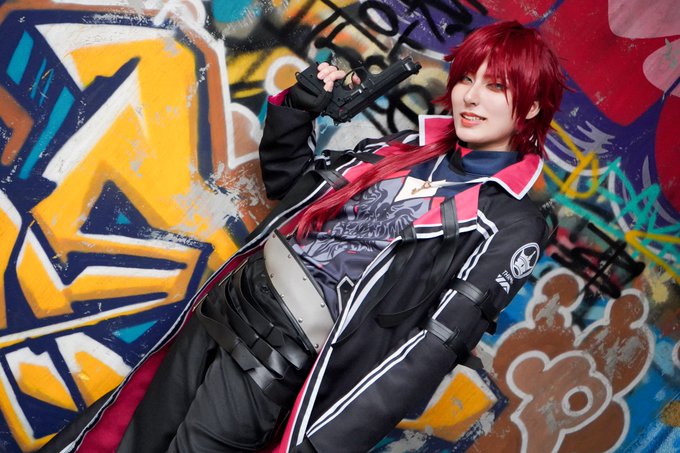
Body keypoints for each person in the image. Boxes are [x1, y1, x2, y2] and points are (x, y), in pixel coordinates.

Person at [42, 20, 566, 453]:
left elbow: (430, 351)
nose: (471, 97)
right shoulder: (404, 149)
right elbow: (292, 191)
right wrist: (297, 110)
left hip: (278, 362)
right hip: (228, 305)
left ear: (531, 107)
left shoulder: (511, 225)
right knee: (129, 438)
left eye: (497, 87)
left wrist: (325, 442)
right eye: (467, 78)